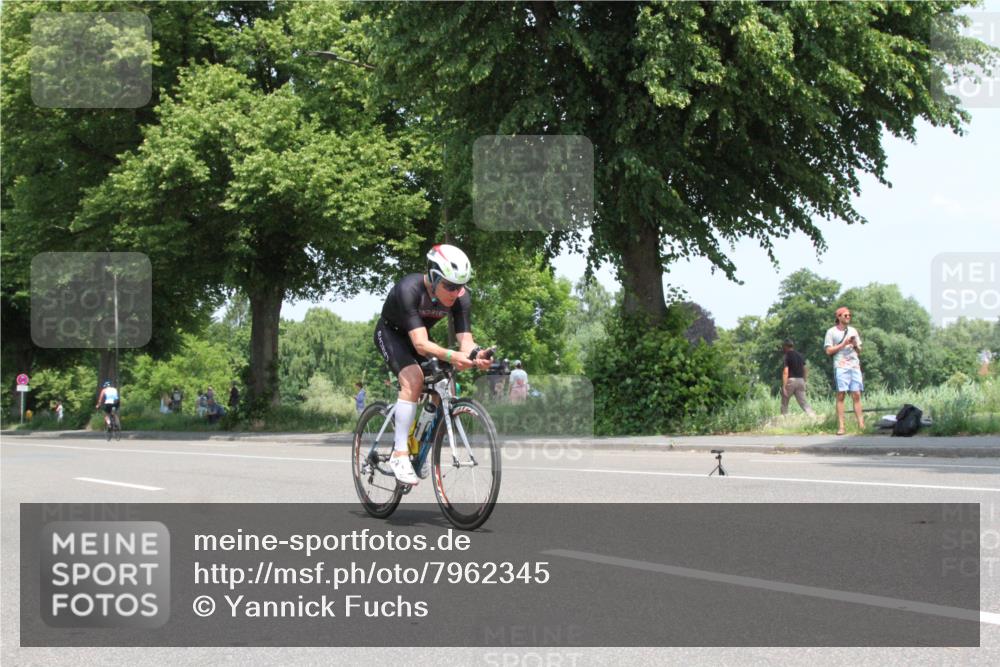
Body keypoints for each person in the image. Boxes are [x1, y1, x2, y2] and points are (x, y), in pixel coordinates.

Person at [374, 244, 492, 485]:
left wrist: (476, 354)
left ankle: (421, 443)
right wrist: (452, 356)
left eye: (460, 286)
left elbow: (465, 342)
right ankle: (399, 454)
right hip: (392, 334)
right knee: (414, 379)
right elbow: (419, 344)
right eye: (449, 285)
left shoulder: (460, 297)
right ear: (434, 276)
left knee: (445, 385)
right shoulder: (409, 288)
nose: (455, 292)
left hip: (422, 338)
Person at [824, 307, 864, 435]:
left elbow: (859, 351)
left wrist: (855, 345)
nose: (848, 317)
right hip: (841, 366)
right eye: (845, 315)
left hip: (854, 365)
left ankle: (861, 425)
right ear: (839, 317)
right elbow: (828, 351)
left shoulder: (853, 330)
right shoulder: (831, 332)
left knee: (856, 394)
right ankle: (841, 427)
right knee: (841, 394)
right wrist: (844, 344)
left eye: (849, 315)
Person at [780, 339, 815, 417]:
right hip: (801, 380)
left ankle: (784, 420)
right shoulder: (800, 355)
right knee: (803, 402)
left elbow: (786, 371)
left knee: (784, 401)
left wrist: (784, 386)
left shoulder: (787, 355)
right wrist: (804, 380)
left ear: (785, 346)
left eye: (783, 347)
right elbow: (805, 368)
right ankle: (813, 417)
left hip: (791, 381)